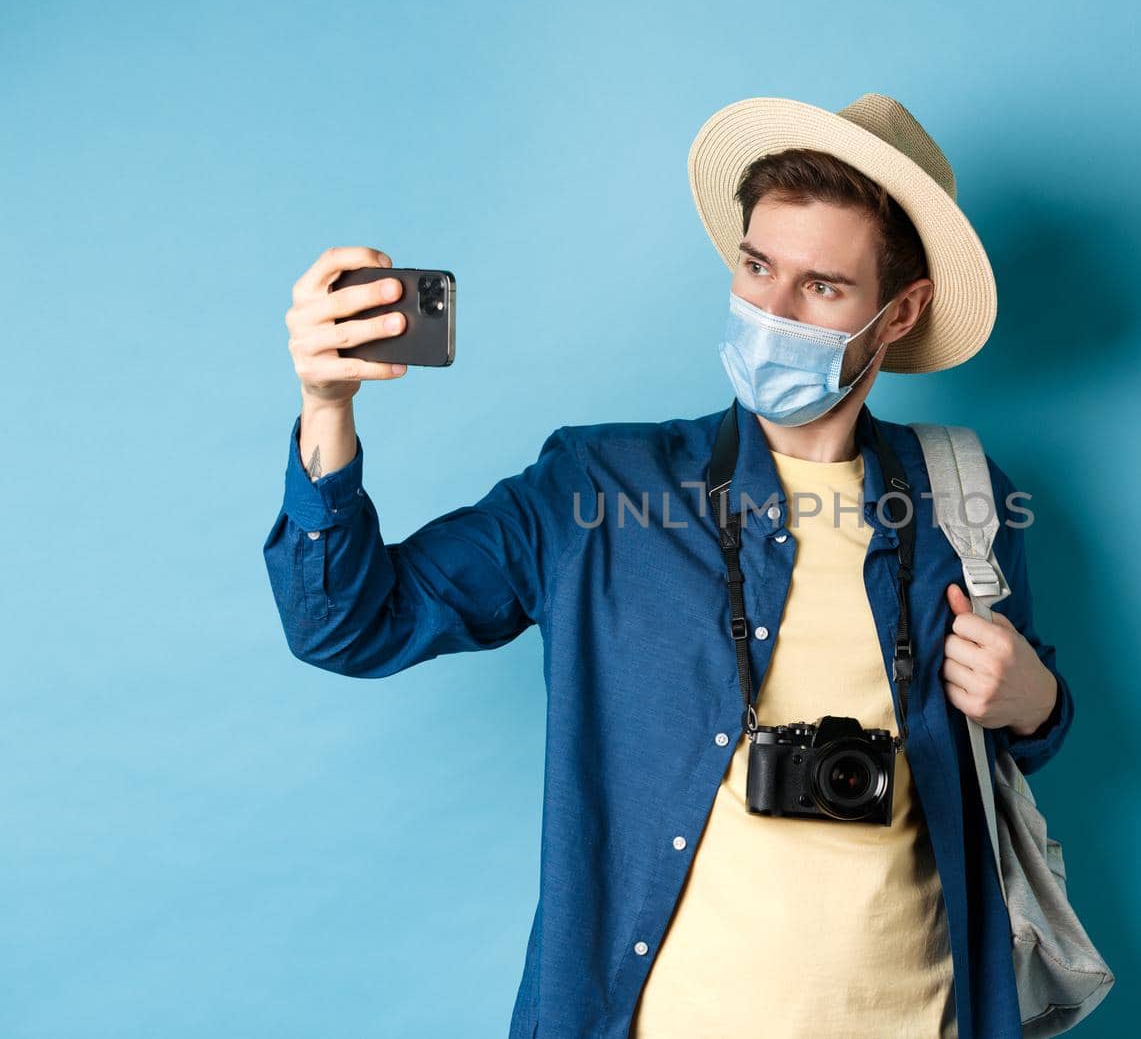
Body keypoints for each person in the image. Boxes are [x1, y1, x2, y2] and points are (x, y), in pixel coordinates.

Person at [264, 93, 1074, 1039]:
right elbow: (349, 625)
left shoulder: (966, 498)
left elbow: (1019, 736)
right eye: (757, 266)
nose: (770, 311)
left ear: (901, 312)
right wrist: (327, 408)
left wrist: (1037, 701)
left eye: (821, 288)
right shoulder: (594, 487)